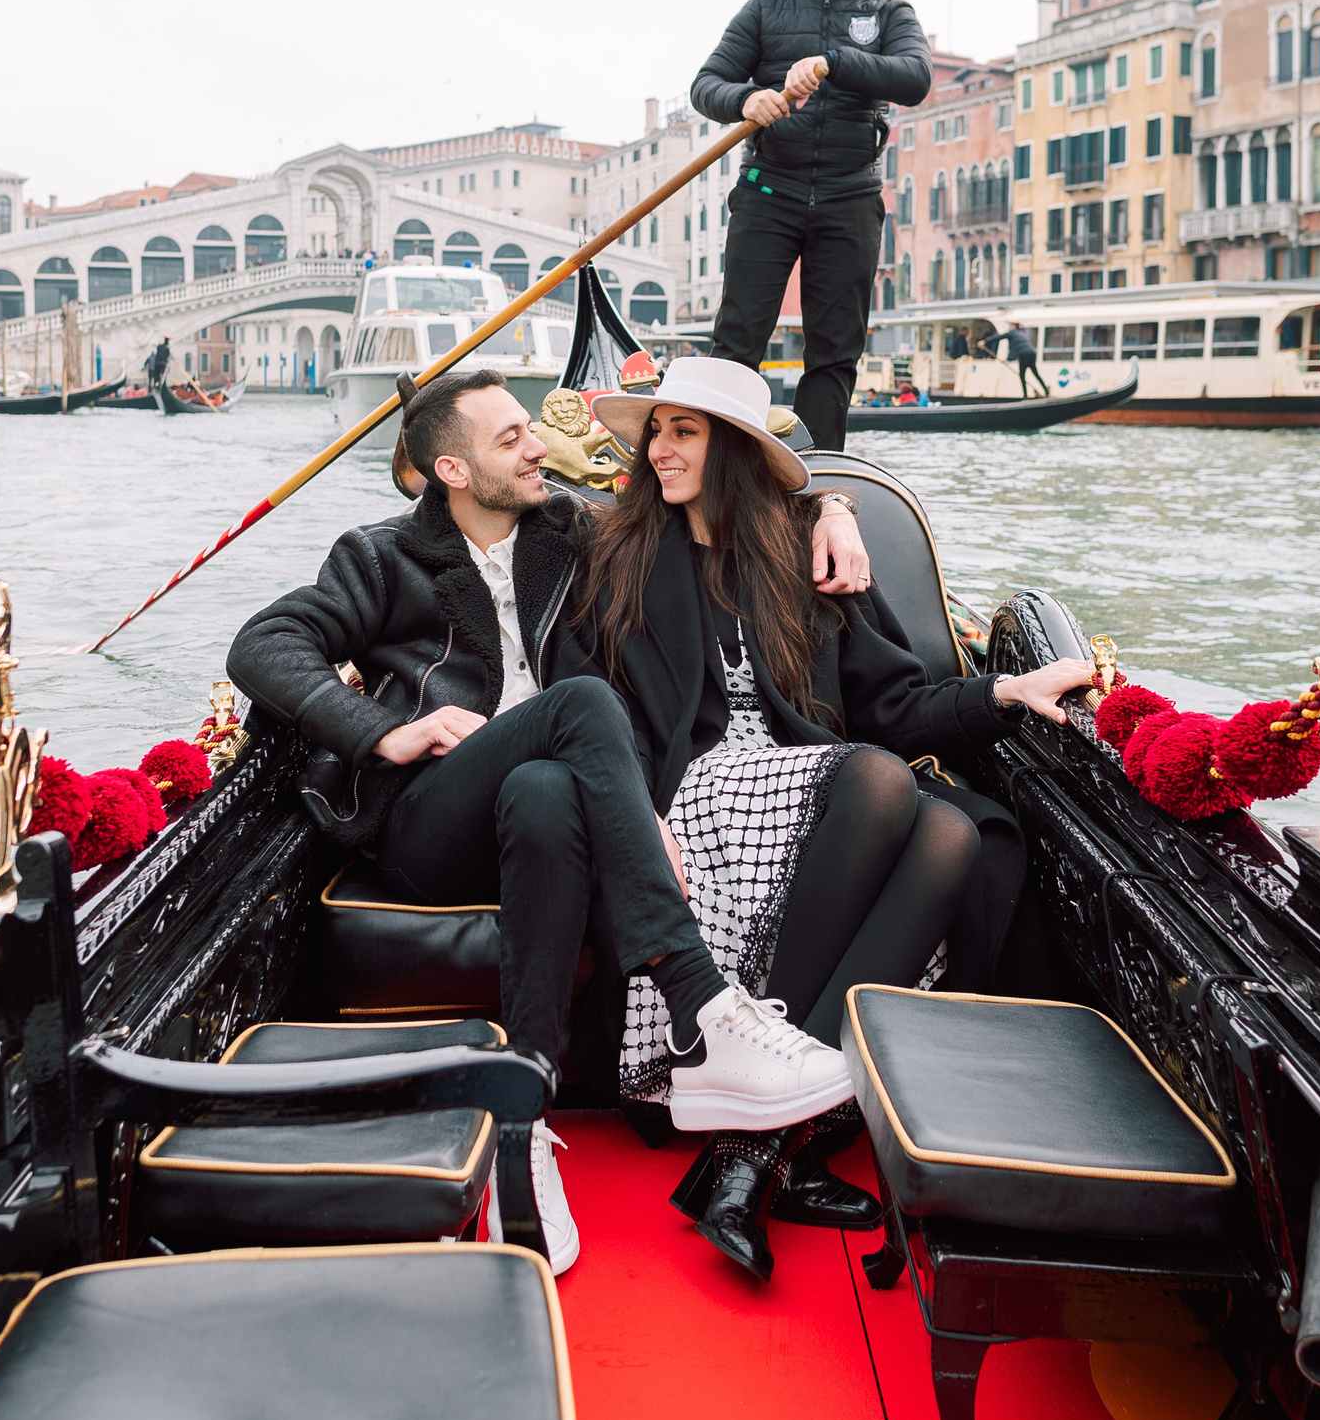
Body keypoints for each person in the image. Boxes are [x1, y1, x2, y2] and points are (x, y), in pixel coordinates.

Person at [226, 370, 878, 1277]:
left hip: (547, 809)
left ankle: (524, 1120)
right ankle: (703, 1003)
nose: (541, 447)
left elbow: (724, 488)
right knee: (578, 705)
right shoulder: (379, 557)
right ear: (451, 468)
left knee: (543, 785)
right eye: (510, 440)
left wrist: (836, 506)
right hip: (431, 822)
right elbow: (261, 646)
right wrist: (388, 731)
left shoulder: (567, 531)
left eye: (532, 429)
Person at [556, 357, 1095, 1281]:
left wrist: (1004, 689)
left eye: (683, 431)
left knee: (955, 833)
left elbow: (898, 701)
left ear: (729, 449)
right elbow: (586, 710)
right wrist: (634, 819)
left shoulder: (799, 557)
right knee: (883, 786)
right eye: (656, 431)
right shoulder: (614, 557)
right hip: (695, 800)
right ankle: (771, 1142)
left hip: (819, 787)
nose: (659, 448)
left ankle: (754, 1156)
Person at [691, 0, 932, 454]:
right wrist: (746, 99)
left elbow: (915, 78)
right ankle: (721, 472)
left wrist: (833, 61)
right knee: (737, 340)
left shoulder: (891, 11)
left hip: (851, 197)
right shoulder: (763, 9)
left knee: (834, 350)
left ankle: (815, 473)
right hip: (769, 190)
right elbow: (706, 86)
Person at [985, 326, 1043, 398]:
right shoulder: (1020, 334)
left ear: (1013, 326)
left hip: (1024, 355)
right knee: (1036, 374)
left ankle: (1025, 396)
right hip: (1032, 353)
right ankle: (1046, 392)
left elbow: (999, 337)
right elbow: (1017, 346)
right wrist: (1008, 359)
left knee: (1022, 375)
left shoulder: (1012, 332)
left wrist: (985, 341)